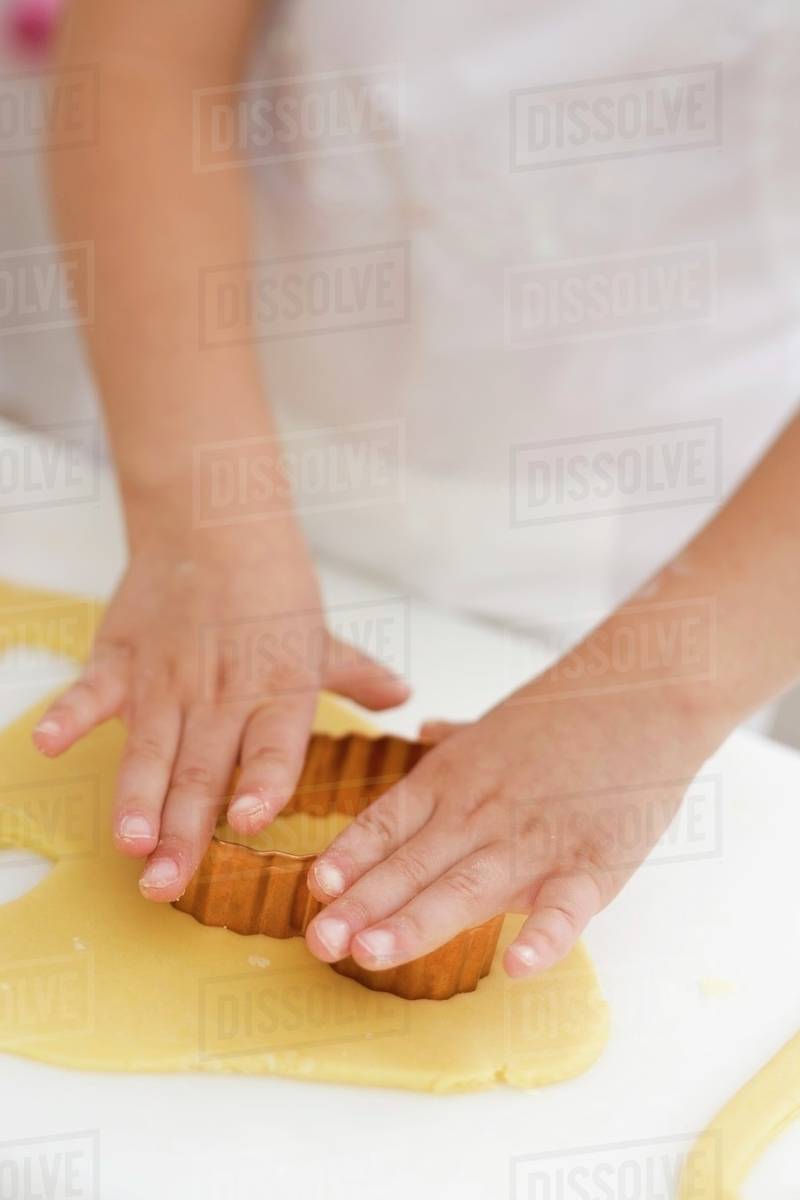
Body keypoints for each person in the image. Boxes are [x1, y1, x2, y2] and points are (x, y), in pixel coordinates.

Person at [34, 0, 800, 979]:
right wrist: (203, 517)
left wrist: (657, 695)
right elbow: (145, 55)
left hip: (695, 541)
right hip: (224, 394)